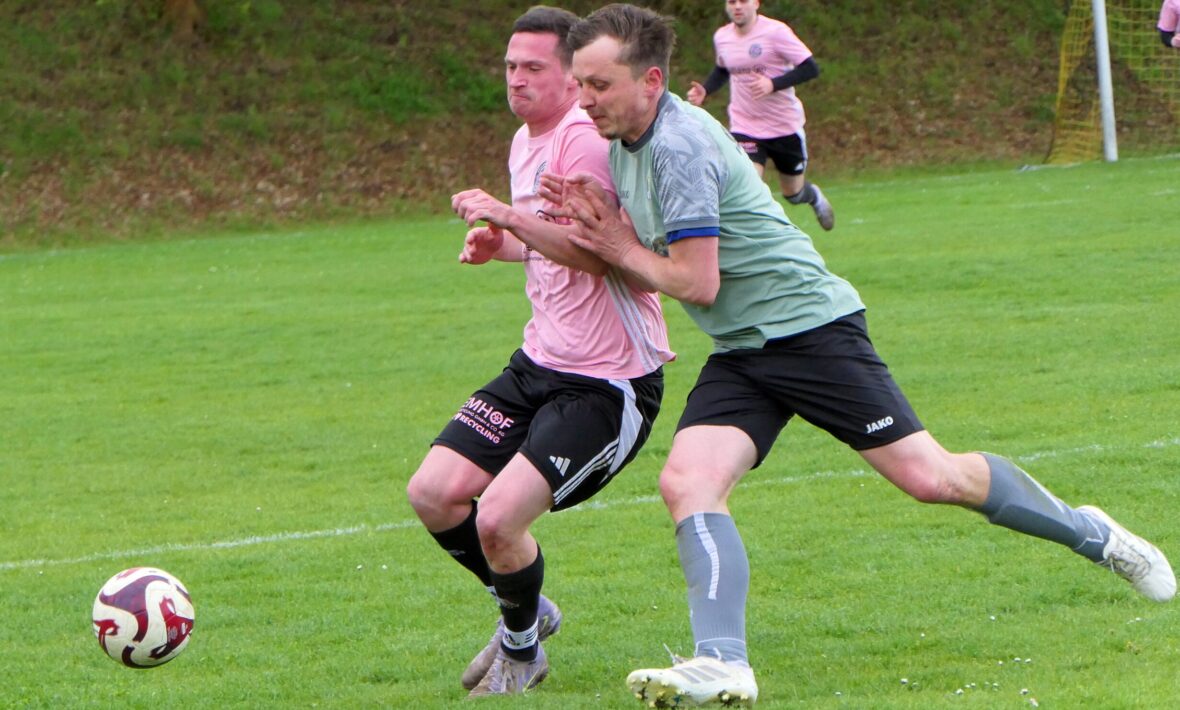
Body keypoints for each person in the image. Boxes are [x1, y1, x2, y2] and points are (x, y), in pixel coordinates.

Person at [554, 5, 1176, 707]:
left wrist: (619, 244)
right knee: (687, 482)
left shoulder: (679, 145)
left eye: (599, 85)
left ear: (651, 80)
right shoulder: (625, 142)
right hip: (744, 347)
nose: (585, 100)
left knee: (933, 479)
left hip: (809, 332)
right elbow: (641, 261)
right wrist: (544, 225)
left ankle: (1095, 533)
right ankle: (724, 664)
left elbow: (695, 282)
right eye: (580, 84)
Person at [404, 5, 673, 699]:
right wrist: (505, 243)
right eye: (509, 66)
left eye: (532, 68)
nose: (516, 79)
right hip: (539, 364)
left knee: (498, 517)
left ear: (571, 77)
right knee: (434, 493)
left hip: (607, 382)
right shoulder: (528, 139)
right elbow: (547, 242)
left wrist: (511, 216)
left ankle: (521, 649)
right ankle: (526, 606)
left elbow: (600, 255)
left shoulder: (581, 141)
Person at [686, 0, 835, 231]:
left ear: (756, 3)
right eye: (731, 2)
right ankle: (766, 235)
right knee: (748, 184)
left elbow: (810, 68)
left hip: (784, 127)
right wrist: (706, 90)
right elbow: (723, 69)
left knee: (793, 193)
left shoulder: (776, 32)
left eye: (743, 1)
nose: (737, 7)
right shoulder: (722, 37)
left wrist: (773, 84)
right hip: (745, 126)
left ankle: (813, 196)